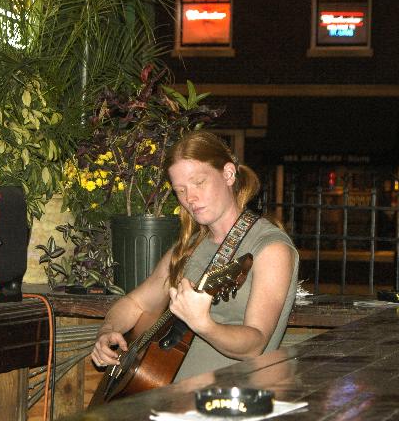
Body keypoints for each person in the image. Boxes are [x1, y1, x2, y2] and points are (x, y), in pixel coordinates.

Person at [90, 130, 299, 380]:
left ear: (228, 174)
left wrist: (204, 324)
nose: (190, 198)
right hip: (166, 392)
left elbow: (255, 345)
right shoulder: (189, 247)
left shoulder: (271, 248)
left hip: (227, 397)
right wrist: (107, 331)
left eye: (199, 182)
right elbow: (135, 303)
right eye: (180, 190)